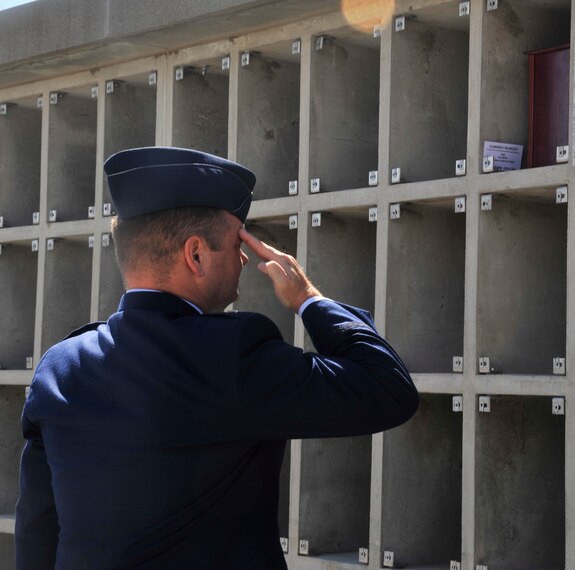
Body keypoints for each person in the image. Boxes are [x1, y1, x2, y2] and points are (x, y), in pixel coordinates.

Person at [15, 147, 418, 569]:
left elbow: (37, 532)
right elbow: (387, 388)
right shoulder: (232, 354)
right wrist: (308, 299)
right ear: (195, 255)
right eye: (235, 242)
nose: (244, 258)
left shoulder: (60, 367)